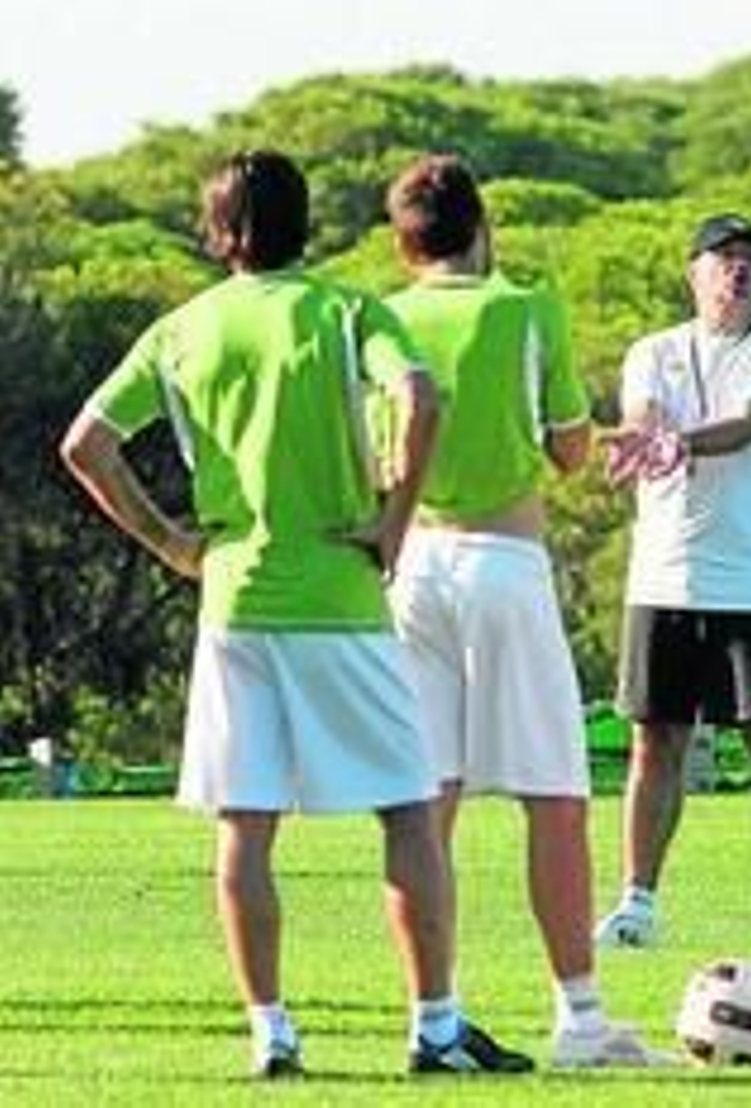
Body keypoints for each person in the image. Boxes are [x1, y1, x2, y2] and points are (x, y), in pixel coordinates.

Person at [58, 150, 530, 1080]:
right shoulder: (348, 310)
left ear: (217, 232)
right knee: (405, 809)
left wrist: (175, 546)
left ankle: (270, 1032)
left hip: (235, 602)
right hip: (340, 597)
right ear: (304, 225)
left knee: (246, 825)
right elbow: (420, 395)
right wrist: (394, 522)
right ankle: (436, 1029)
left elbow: (86, 444)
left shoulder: (185, 328)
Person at [381, 154, 662, 1067]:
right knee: (554, 798)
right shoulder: (523, 305)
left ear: (403, 240)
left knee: (425, 807)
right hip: (503, 561)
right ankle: (580, 1019)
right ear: (481, 225)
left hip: (411, 564)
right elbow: (571, 450)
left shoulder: (377, 319)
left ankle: (434, 1016)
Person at [593, 213, 751, 956]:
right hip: (663, 580)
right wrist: (641, 433)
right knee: (654, 742)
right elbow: (643, 413)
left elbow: (749, 424)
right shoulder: (654, 352)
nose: (739, 271)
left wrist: (676, 444)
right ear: (693, 273)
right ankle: (636, 903)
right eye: (724, 259)